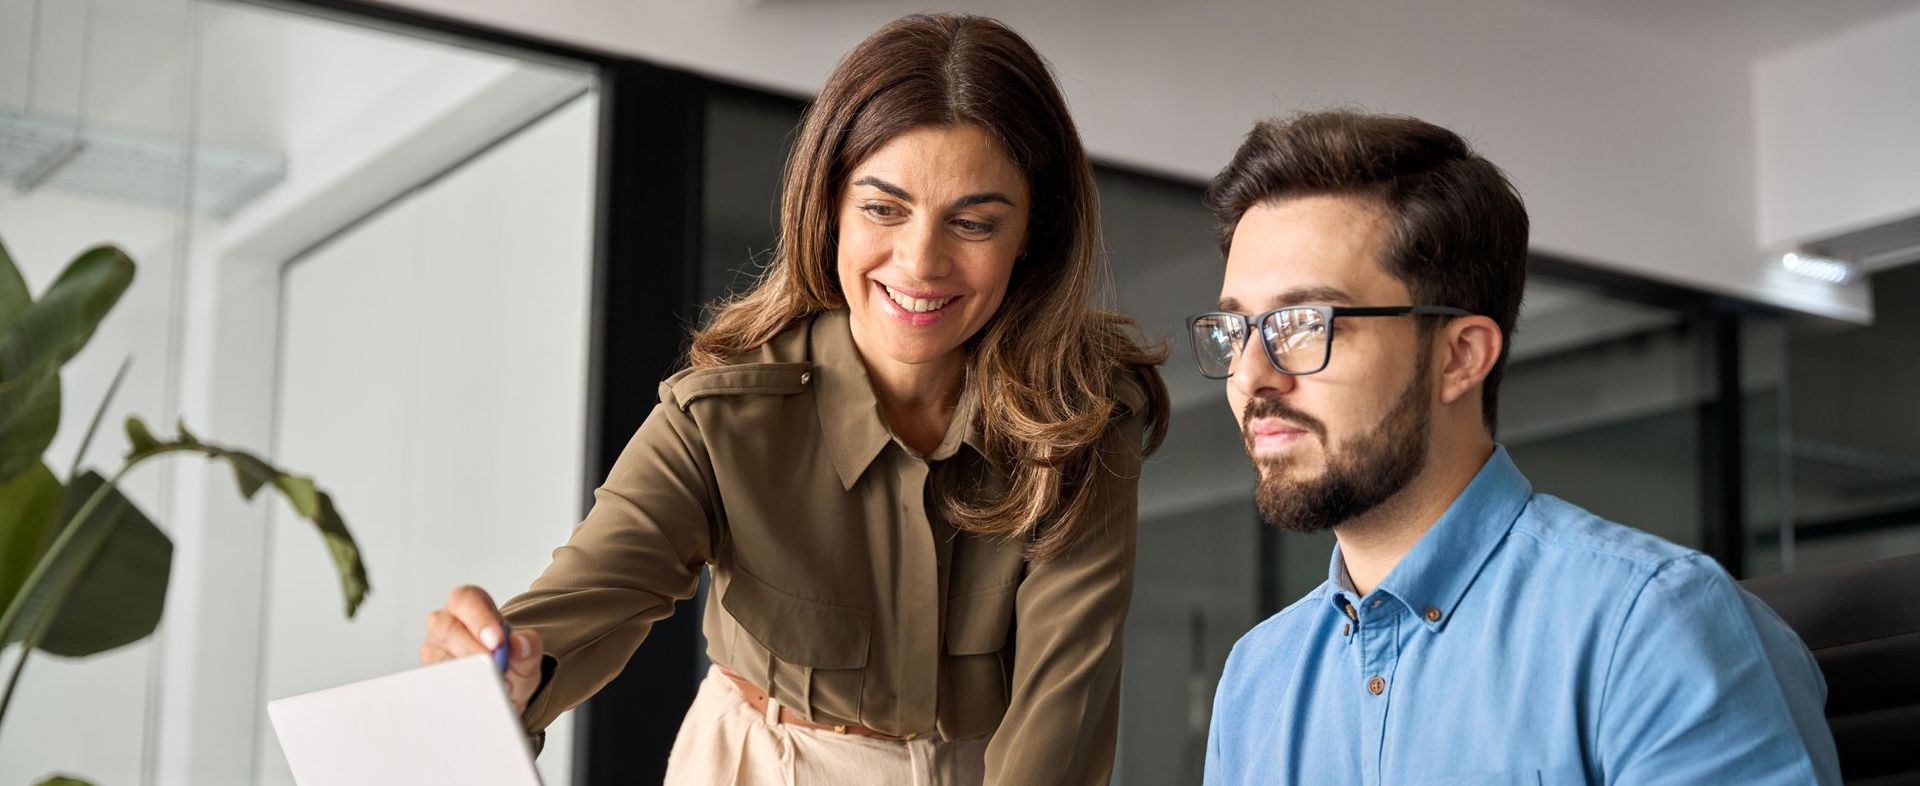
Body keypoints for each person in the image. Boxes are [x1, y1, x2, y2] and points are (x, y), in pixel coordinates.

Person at [418, 13, 1168, 786]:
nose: (920, 263)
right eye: (883, 209)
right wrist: (501, 672)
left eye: (973, 222)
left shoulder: (1084, 420)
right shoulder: (721, 416)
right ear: (830, 206)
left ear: (1032, 235)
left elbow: (1061, 715)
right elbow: (586, 600)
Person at [1192, 110, 1839, 785]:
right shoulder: (1257, 679)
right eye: (1237, 328)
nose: (1251, 376)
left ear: (1460, 357)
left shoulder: (1650, 624)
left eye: (1303, 324)